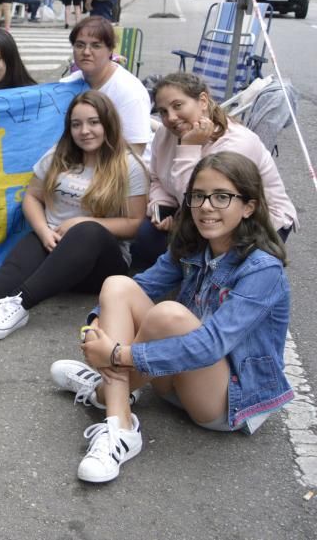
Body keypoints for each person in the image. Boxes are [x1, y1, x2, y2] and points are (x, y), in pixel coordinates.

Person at [50, 151, 293, 483]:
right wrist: (95, 323)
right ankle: (120, 424)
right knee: (118, 285)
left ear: (248, 206)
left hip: (226, 400)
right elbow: (143, 286)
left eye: (222, 197)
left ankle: (106, 390)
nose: (206, 206)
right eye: (198, 196)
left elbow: (211, 345)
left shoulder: (262, 269)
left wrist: (117, 354)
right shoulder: (193, 245)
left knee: (169, 316)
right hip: (174, 377)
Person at [0, 91, 147, 342]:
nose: (85, 130)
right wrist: (43, 231)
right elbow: (32, 197)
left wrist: (84, 221)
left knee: (87, 232)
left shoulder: (128, 165)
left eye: (94, 122)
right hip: (54, 245)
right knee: (12, 271)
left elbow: (134, 224)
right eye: (76, 124)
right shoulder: (58, 156)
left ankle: (19, 305)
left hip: (100, 266)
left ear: (108, 123)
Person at [132, 72, 297, 268]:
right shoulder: (164, 133)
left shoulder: (236, 143)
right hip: (197, 215)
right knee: (145, 239)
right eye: (163, 111)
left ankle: (205, 280)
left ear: (202, 101)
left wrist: (189, 147)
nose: (171, 118)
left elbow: (200, 199)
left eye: (177, 106)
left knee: (203, 255)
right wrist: (161, 207)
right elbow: (157, 178)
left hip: (250, 221)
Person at [63, 17, 152, 156]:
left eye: (96, 46)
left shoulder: (130, 92)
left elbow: (135, 149)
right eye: (80, 45)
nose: (86, 52)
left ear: (110, 50)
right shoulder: (66, 85)